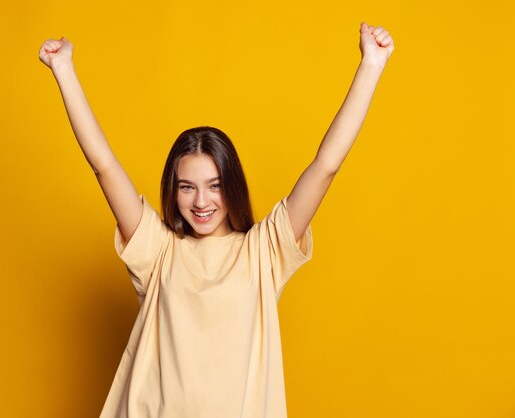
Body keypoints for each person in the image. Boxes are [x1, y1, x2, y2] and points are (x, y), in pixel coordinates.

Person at [39, 21, 394, 418]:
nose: (201, 201)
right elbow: (103, 165)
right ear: (173, 192)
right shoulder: (159, 252)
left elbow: (326, 166)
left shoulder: (264, 251)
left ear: (233, 186)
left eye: (215, 185)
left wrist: (371, 65)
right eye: (187, 186)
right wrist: (64, 70)